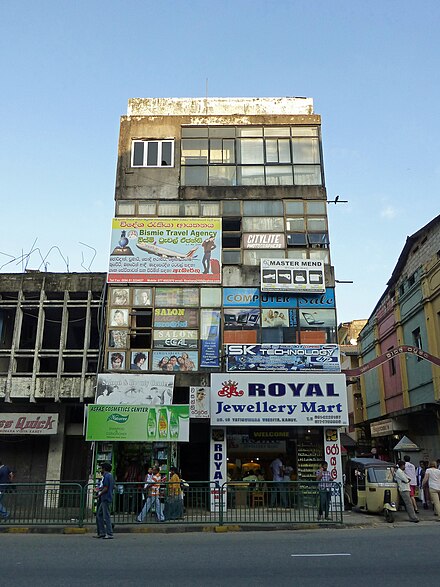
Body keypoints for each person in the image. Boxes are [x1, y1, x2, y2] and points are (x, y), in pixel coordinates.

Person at [95, 462, 115, 539]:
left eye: (101, 468)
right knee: (99, 515)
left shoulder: (107, 477)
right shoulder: (110, 476)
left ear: (104, 469)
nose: (101, 470)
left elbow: (105, 488)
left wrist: (99, 495)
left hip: (106, 498)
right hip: (106, 497)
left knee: (106, 516)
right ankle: (102, 532)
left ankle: (109, 533)